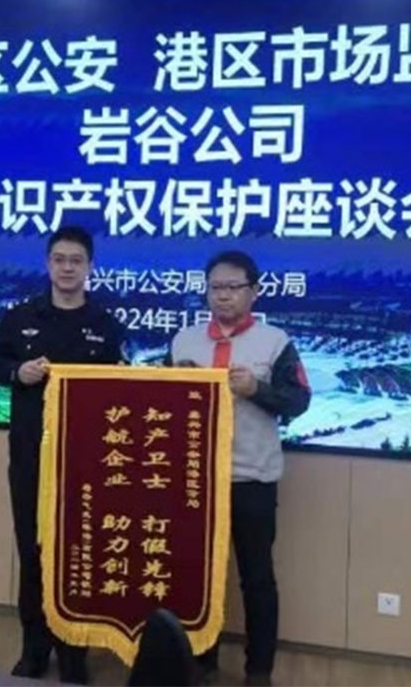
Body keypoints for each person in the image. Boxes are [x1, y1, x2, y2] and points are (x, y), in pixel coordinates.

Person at [0, 227, 124, 684]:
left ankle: (75, 650)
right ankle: (34, 648)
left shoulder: (105, 324)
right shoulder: (21, 316)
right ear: (48, 264)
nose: (67, 268)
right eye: (59, 259)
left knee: (80, 553)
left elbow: (121, 386)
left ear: (90, 267)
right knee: (33, 552)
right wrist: (16, 371)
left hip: (86, 461)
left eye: (76, 260)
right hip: (30, 458)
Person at [169, 251, 311, 687]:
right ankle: (201, 660)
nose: (223, 295)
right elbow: (163, 404)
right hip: (196, 481)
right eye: (215, 287)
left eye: (233, 287)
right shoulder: (184, 341)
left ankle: (258, 670)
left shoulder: (275, 341)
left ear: (254, 291)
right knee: (196, 576)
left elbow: (299, 401)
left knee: (257, 578)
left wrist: (256, 389)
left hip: (252, 478)